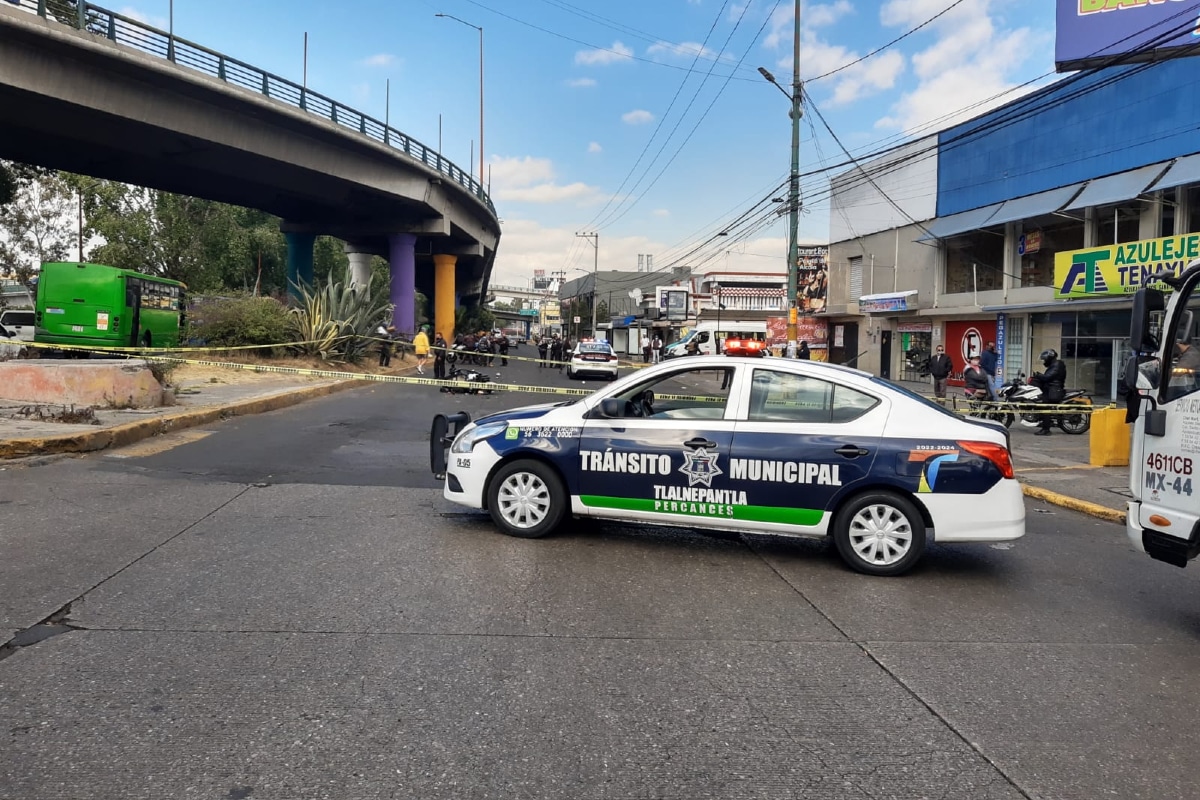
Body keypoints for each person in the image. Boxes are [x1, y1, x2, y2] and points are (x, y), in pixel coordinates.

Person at [1032, 348, 1065, 436]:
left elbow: (1047, 377)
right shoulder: (1054, 365)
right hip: (1050, 388)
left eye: (1045, 359)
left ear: (1049, 358)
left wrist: (1038, 375)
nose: (1044, 361)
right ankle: (1043, 422)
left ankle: (1046, 429)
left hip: (1053, 389)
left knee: (1045, 407)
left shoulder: (1057, 365)